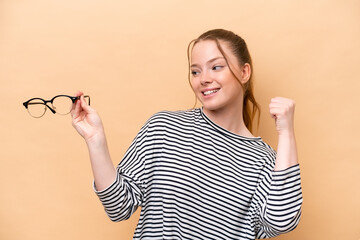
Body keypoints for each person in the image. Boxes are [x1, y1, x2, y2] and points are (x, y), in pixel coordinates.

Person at [71, 29, 302, 239]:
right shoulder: (163, 128)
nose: (203, 79)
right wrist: (95, 141)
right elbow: (118, 207)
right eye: (195, 71)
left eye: (216, 67)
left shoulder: (265, 160)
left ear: (244, 72)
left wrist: (287, 134)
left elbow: (279, 221)